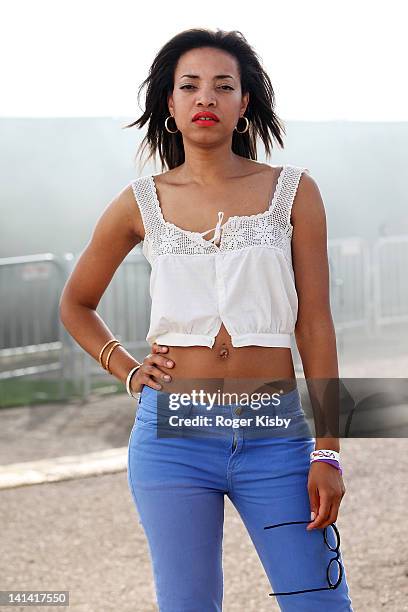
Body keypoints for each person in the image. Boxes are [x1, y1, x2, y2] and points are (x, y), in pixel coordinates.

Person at [59, 28, 354, 612]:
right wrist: (124, 367)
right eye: (189, 86)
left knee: (317, 604)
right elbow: (76, 303)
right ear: (169, 104)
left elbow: (314, 325)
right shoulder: (139, 202)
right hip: (171, 440)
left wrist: (328, 449)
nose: (206, 98)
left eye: (224, 86)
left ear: (245, 104)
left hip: (275, 436)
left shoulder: (293, 192)